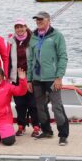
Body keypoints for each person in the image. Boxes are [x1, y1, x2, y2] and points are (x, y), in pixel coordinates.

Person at [27, 11, 69, 146]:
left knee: (57, 106)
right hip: (37, 78)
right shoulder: (33, 37)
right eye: (37, 19)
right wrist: (29, 79)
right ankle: (47, 131)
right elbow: (30, 59)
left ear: (48, 20)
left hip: (52, 78)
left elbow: (63, 57)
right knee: (40, 106)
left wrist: (59, 77)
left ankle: (63, 135)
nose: (39, 21)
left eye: (41, 19)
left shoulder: (57, 36)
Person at [8, 18, 40, 137]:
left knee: (32, 104)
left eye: (21, 26)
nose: (19, 29)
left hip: (30, 77)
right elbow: (8, 60)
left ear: (26, 27)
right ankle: (21, 126)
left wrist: (32, 77)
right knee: (20, 104)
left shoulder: (33, 40)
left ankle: (36, 126)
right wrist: (8, 76)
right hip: (16, 78)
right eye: (17, 27)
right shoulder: (11, 41)